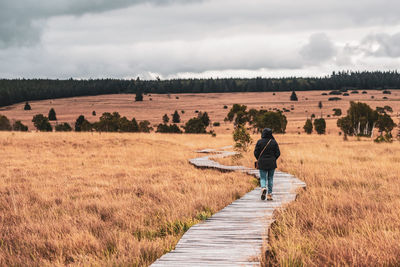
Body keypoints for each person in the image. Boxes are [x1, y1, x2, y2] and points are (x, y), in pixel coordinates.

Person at [254, 128, 280, 201]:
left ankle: (263, 188)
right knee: (270, 178)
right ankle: (269, 195)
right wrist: (274, 158)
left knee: (263, 178)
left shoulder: (259, 142)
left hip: (262, 162)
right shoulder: (274, 142)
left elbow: (255, 152)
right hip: (272, 163)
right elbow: (278, 153)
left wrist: (259, 159)